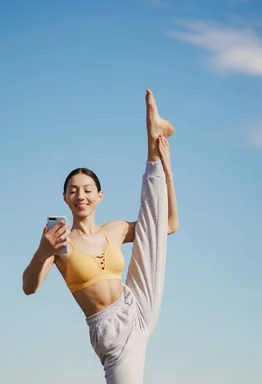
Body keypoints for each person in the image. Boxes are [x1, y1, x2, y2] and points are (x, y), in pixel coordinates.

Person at [22, 89, 179, 383]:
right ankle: (152, 145)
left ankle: (152, 145)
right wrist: (43, 251)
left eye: (87, 189)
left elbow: (166, 225)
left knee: (150, 224)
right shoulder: (59, 245)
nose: (81, 195)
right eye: (73, 190)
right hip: (111, 330)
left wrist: (168, 175)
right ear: (65, 198)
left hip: (137, 302)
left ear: (99, 195)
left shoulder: (115, 229)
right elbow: (29, 287)